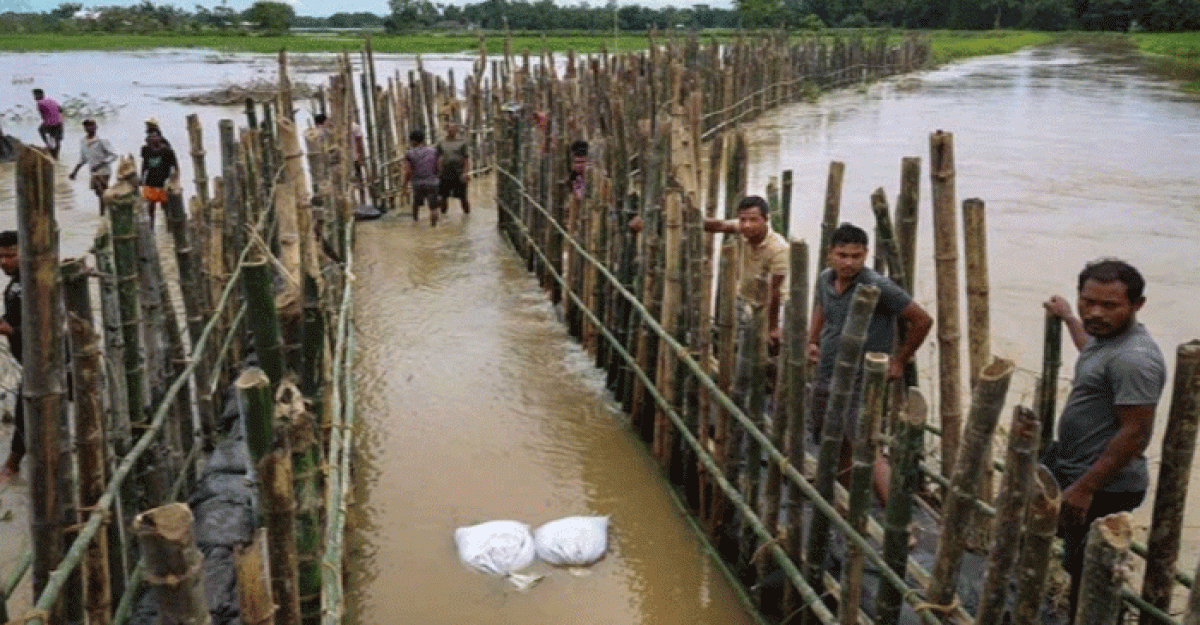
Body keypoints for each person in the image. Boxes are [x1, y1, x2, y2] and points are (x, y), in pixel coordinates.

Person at [1042, 259, 1165, 622]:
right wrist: (1068, 318)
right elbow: (1089, 350)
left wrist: (1084, 488)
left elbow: (1136, 433)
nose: (1095, 313)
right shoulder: (1106, 339)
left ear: (1137, 306)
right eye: (1087, 301)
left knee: (1092, 575)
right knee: (1077, 562)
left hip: (1103, 485)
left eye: (1109, 306)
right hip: (1080, 473)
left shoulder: (1135, 359)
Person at [807, 223, 932, 479]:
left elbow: (922, 320)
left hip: (862, 376)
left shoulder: (877, 286)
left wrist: (899, 361)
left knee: (863, 444)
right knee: (834, 433)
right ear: (830, 253)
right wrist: (812, 341)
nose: (848, 263)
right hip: (829, 368)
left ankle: (896, 516)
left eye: (856, 256)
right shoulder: (825, 278)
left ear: (865, 254)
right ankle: (843, 495)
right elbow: (821, 306)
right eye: (842, 255)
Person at [702, 195, 791, 351]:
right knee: (741, 346)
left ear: (766, 219)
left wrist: (772, 327)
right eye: (743, 220)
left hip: (773, 305)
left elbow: (774, 291)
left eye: (753, 220)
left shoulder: (779, 249)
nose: (747, 225)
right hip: (745, 299)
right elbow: (719, 226)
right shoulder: (744, 230)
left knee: (768, 348)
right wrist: (688, 217)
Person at [0, 231, 22, 482]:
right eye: (1, 256)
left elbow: (42, 326)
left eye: (10, 255)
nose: (4, 261)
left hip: (45, 360)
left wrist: (8, 329)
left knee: (26, 410)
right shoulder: (15, 285)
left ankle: (12, 466)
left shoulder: (29, 283)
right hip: (27, 359)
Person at [68, 119, 117, 214]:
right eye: (87, 126)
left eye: (91, 126)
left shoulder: (101, 140)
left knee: (101, 192)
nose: (89, 128)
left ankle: (102, 214)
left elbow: (113, 155)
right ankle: (112, 205)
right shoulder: (83, 142)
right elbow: (83, 159)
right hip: (93, 171)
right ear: (84, 128)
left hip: (104, 171)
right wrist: (75, 172)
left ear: (96, 127)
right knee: (98, 192)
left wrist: (101, 163)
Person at [139, 129, 178, 228]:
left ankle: (169, 228)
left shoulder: (167, 151)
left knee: (166, 208)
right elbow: (144, 165)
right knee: (150, 208)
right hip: (150, 183)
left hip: (163, 184)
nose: (153, 139)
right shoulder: (146, 150)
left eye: (155, 136)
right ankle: (151, 227)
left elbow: (175, 166)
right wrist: (142, 177)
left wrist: (175, 180)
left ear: (160, 138)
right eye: (151, 137)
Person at [402, 129, 439, 226]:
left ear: (413, 141)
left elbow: (408, 172)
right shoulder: (433, 151)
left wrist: (404, 185)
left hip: (418, 183)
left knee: (416, 204)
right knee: (433, 208)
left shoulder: (410, 153)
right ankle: (434, 228)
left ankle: (415, 223)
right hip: (432, 182)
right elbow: (438, 167)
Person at [436, 122, 470, 215]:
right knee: (443, 197)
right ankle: (444, 217)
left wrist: (465, 172)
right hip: (444, 173)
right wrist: (437, 172)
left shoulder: (462, 142)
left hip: (458, 173)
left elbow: (466, 159)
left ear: (457, 130)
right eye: (449, 128)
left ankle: (467, 216)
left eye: (453, 128)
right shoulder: (441, 142)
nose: (451, 130)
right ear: (446, 130)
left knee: (463, 197)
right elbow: (436, 157)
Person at [33, 89, 63, 159]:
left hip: (49, 124)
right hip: (59, 123)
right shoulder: (52, 100)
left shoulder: (39, 103)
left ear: (37, 96)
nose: (34, 98)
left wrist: (47, 123)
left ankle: (48, 145)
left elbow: (43, 116)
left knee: (40, 130)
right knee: (57, 140)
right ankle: (56, 156)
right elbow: (61, 110)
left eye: (34, 96)